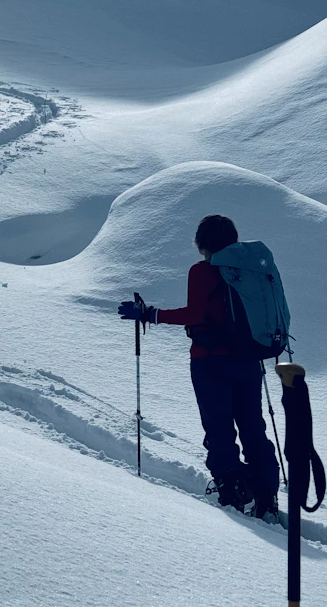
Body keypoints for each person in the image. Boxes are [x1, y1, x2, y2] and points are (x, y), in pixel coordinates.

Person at [118, 214, 280, 519]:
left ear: (203, 243)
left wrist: (150, 314)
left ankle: (233, 496)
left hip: (211, 361)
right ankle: (266, 494)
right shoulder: (251, 271)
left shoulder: (203, 271)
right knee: (253, 427)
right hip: (249, 361)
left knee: (219, 429)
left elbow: (196, 314)